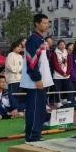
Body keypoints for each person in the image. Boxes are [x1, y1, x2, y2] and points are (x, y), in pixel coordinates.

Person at [20, 14, 53, 142]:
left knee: (39, 110)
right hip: (35, 82)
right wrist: (37, 79)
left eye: (48, 23)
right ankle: (31, 137)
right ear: (36, 24)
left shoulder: (41, 39)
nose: (47, 25)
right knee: (34, 110)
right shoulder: (33, 40)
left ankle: (36, 135)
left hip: (41, 81)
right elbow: (31, 62)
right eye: (44, 23)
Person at [51, 39, 72, 106]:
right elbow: (55, 65)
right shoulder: (55, 53)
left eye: (63, 44)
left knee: (68, 88)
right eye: (61, 44)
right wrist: (63, 73)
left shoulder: (66, 52)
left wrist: (67, 73)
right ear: (58, 46)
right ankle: (58, 102)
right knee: (57, 90)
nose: (62, 46)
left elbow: (70, 63)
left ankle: (67, 100)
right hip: (58, 76)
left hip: (66, 75)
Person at [5, 40, 24, 107]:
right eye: (18, 46)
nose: (19, 48)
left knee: (20, 96)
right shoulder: (10, 55)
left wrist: (21, 70)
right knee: (13, 96)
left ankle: (19, 109)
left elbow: (23, 67)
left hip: (20, 80)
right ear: (14, 47)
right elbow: (9, 66)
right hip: (13, 80)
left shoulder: (20, 56)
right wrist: (19, 70)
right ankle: (14, 109)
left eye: (21, 47)